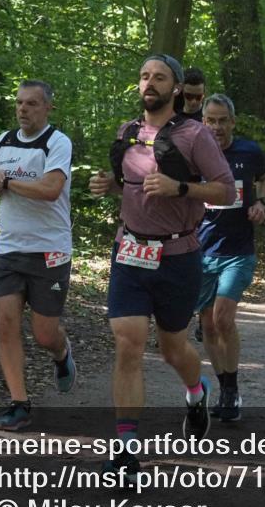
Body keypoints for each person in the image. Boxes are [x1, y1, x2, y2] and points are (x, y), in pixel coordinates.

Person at [89, 54, 235, 481]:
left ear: (175, 88)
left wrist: (181, 188)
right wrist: (109, 185)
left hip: (178, 257)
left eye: (159, 77)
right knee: (128, 344)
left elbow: (225, 190)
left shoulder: (194, 135)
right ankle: (126, 451)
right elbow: (131, 188)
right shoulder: (128, 132)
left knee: (173, 350)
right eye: (144, 76)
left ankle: (196, 392)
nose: (149, 82)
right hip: (130, 252)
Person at [0, 80, 76, 431]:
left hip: (50, 249)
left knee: (44, 334)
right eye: (19, 103)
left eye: (32, 104)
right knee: (4, 323)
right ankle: (19, 403)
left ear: (48, 108)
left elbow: (50, 190)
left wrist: (7, 183)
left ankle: (62, 354)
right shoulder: (2, 141)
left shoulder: (57, 142)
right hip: (10, 248)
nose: (23, 109)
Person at [196, 94, 265, 422]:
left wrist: (262, 204)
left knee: (223, 318)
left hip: (238, 251)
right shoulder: (192, 154)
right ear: (203, 122)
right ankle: (225, 385)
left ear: (233, 122)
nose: (216, 127)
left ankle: (231, 386)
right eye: (210, 120)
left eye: (222, 120)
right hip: (200, 252)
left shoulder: (248, 152)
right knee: (207, 325)